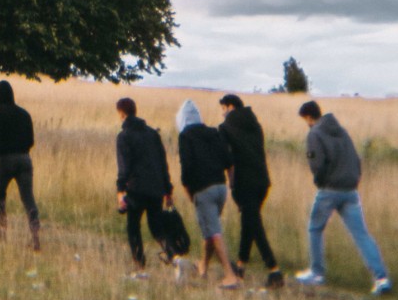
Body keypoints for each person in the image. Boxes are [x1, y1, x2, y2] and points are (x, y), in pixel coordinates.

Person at [295, 101, 393, 294]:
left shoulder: (314, 134)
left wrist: (320, 182)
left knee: (315, 228)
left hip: (329, 190)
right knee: (361, 234)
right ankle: (381, 278)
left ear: (308, 117)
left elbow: (317, 164)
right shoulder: (342, 131)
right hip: (350, 190)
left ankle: (317, 272)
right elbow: (356, 159)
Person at [219, 92, 282, 288]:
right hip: (262, 181)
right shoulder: (255, 125)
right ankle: (240, 266)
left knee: (254, 225)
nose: (222, 113)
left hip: (244, 182)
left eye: (223, 109)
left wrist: (231, 183)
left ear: (229, 107)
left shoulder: (226, 128)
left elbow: (226, 158)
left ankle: (274, 269)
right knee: (249, 222)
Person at [176, 99, 241, 288]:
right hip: (221, 187)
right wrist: (231, 185)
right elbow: (229, 162)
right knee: (209, 228)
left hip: (202, 189)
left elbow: (186, 168)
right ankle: (203, 265)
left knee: (213, 232)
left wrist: (189, 192)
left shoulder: (185, 136)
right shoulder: (213, 132)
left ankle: (230, 275)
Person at [114, 96, 179, 274]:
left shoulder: (124, 136)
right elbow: (162, 163)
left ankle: (140, 264)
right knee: (156, 226)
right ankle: (174, 256)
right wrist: (168, 190)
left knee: (133, 226)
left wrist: (120, 192)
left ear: (121, 114)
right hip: (156, 188)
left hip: (136, 189)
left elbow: (123, 167)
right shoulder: (152, 134)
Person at [0, 80, 41, 249]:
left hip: (5, 160)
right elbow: (31, 140)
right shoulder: (24, 114)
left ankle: (2, 236)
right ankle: (35, 239)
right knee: (28, 199)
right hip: (25, 159)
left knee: (0, 198)